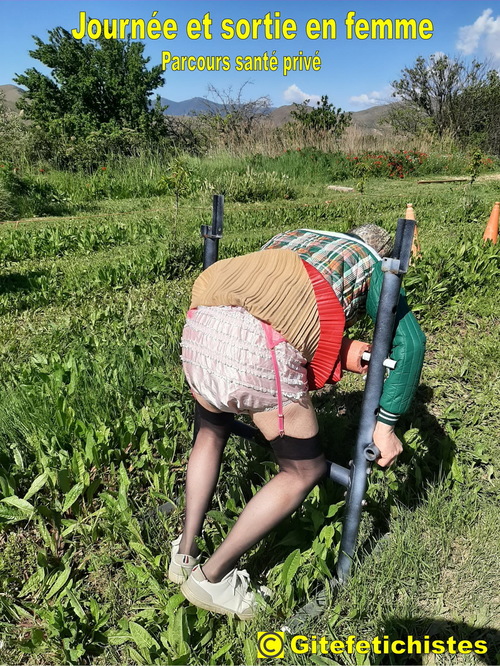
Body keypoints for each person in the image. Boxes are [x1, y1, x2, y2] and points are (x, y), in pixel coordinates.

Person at [169, 225, 425, 620]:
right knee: (304, 469)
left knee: (210, 430)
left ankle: (183, 555)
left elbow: (281, 303)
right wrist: (386, 426)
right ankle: (212, 578)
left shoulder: (292, 237)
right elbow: (410, 345)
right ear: (381, 249)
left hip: (204, 326)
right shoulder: (373, 266)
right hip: (257, 347)